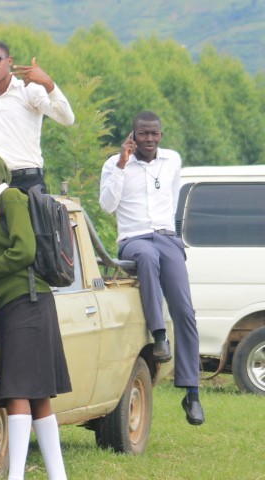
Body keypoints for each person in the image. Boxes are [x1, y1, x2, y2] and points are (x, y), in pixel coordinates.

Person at [0, 149, 71, 480]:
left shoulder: (10, 198)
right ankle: (57, 476)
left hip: (29, 302)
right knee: (37, 395)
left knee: (17, 391)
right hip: (23, 304)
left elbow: (24, 250)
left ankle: (16, 476)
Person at [99, 111, 204, 426]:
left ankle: (192, 393)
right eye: (143, 133)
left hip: (165, 237)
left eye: (154, 133)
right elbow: (107, 205)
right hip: (133, 238)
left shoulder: (172, 160)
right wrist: (121, 163)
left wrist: (167, 235)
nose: (149, 139)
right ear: (132, 134)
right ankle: (159, 336)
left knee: (185, 311)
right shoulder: (114, 164)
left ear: (161, 134)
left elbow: (171, 198)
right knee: (146, 257)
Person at [0, 40, 74, 191]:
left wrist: (48, 83)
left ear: (9, 61)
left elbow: (67, 119)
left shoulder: (29, 91)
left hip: (28, 180)